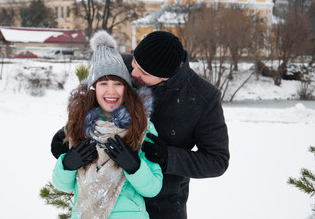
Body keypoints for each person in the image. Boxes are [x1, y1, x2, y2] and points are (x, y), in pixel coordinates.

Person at [52, 31, 230, 219]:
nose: (133, 72)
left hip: (164, 202)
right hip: (106, 200)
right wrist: (66, 140)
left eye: (143, 72)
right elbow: (92, 102)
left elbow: (217, 160)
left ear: (165, 77)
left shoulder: (203, 97)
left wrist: (169, 157)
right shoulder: (123, 66)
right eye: (135, 61)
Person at [52, 30, 163, 219]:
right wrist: (68, 164)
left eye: (118, 83)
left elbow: (153, 189)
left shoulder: (142, 126)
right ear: (93, 88)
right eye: (103, 83)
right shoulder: (78, 125)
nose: (111, 91)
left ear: (126, 88)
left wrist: (134, 166)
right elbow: (62, 186)